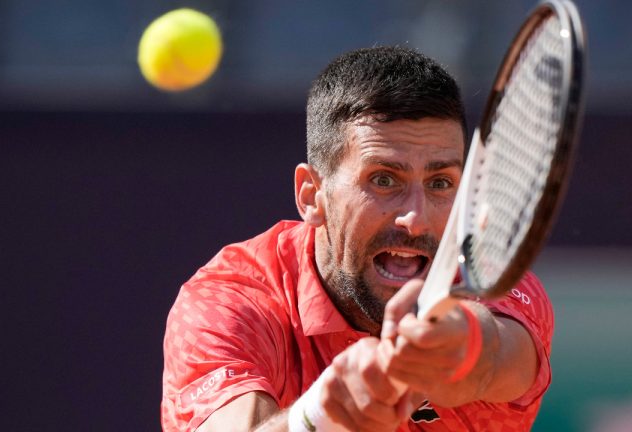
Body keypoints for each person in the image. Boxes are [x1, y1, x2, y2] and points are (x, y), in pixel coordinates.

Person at [161, 46, 553, 432]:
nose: (415, 219)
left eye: (440, 183)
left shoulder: (491, 279)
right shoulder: (229, 301)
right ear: (311, 196)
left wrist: (459, 348)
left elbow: (497, 357)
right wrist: (317, 418)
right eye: (384, 179)